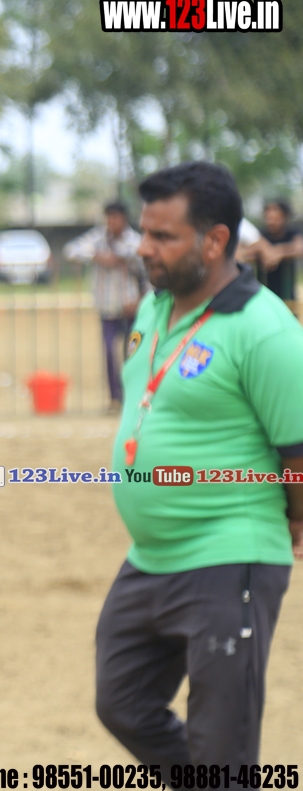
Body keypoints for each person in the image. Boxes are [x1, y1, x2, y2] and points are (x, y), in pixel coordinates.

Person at [97, 161, 303, 769]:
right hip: (149, 556)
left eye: (163, 236)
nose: (144, 247)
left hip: (229, 557)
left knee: (222, 749)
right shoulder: (153, 309)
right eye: (145, 231)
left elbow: (298, 453)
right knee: (122, 703)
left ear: (214, 241)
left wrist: (292, 520)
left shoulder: (265, 330)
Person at [64, 201, 146, 412]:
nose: (112, 222)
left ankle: (133, 396)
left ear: (124, 219)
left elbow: (146, 271)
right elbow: (71, 250)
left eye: (115, 217)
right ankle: (115, 398)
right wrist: (98, 256)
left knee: (132, 354)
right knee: (109, 352)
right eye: (109, 217)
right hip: (107, 307)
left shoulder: (134, 241)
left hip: (129, 308)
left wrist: (139, 301)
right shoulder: (98, 238)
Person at [246, 199, 302, 303]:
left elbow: (299, 248)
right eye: (268, 218)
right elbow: (246, 251)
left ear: (285, 217)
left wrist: (279, 251)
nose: (271, 222)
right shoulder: (261, 234)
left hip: (286, 295)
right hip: (263, 293)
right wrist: (263, 251)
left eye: (275, 219)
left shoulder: (292, 233)